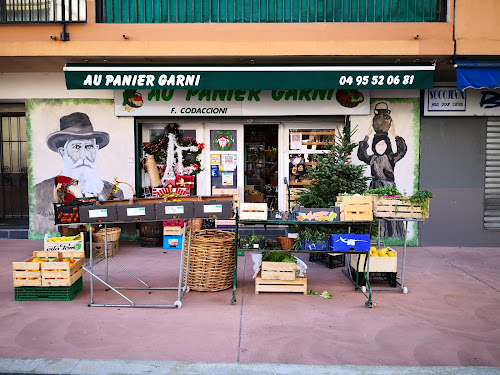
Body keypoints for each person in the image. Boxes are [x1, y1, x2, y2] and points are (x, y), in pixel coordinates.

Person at [34, 112, 123, 233]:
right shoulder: (40, 192)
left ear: (96, 150)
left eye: (89, 147)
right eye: (76, 147)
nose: (83, 156)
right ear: (62, 152)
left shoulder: (112, 191)